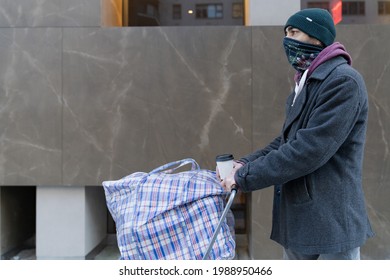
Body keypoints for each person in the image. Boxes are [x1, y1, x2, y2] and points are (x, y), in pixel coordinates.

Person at [219, 8, 374, 260]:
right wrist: (244, 164)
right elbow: (286, 141)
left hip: (330, 225)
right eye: (286, 32)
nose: (287, 39)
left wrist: (246, 177)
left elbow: (309, 149)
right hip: (299, 222)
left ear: (316, 36)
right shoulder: (305, 82)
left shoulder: (343, 82)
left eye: (295, 32)